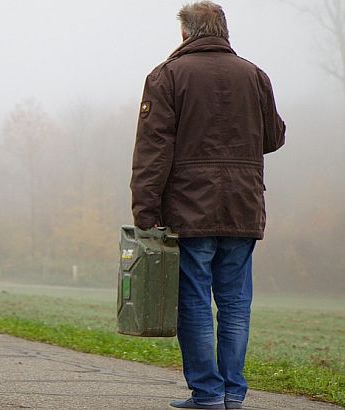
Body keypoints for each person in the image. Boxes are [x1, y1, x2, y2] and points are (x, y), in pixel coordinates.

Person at [129, 2, 286, 409]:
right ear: (223, 30)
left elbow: (153, 151)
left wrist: (145, 212)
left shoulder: (166, 76)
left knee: (195, 300)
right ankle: (233, 395)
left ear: (185, 33)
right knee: (234, 302)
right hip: (243, 205)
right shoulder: (255, 75)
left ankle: (207, 394)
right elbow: (274, 138)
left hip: (189, 208)